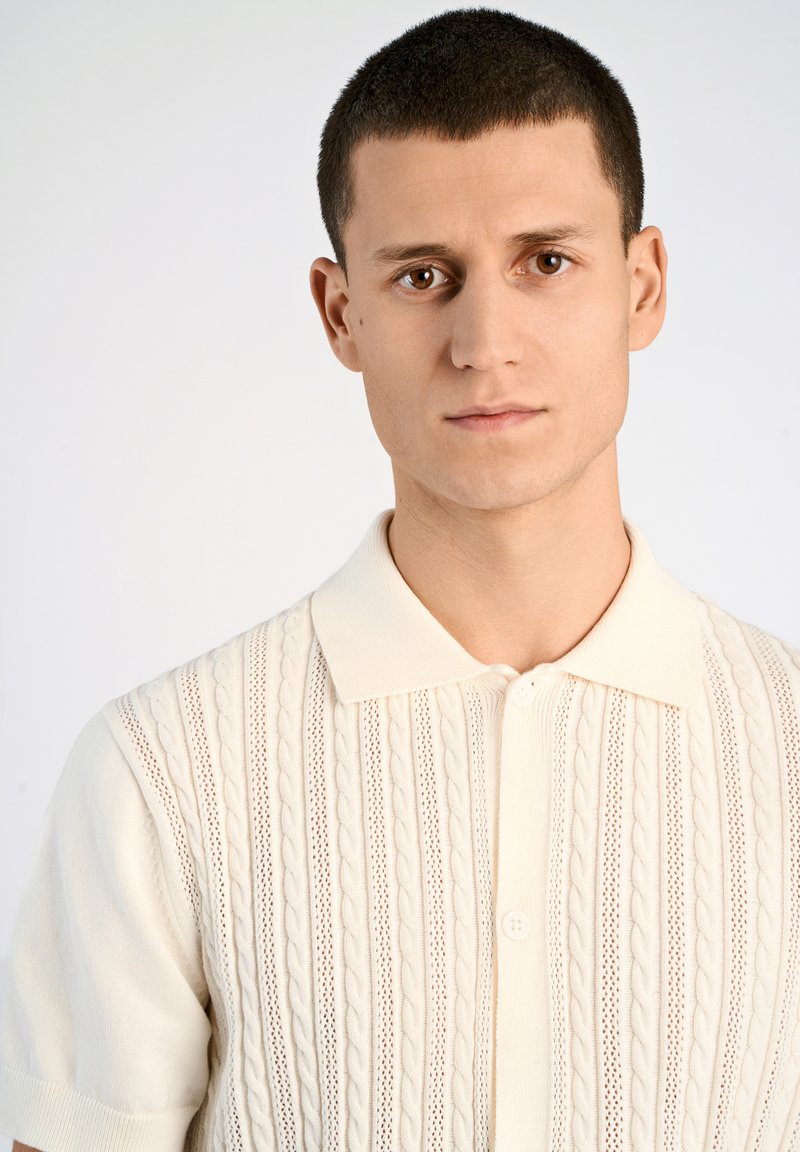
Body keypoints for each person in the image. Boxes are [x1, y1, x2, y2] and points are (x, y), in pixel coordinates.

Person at [2, 8, 799, 1151]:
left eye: (546, 262)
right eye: (424, 276)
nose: (483, 343)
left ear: (641, 286)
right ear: (342, 315)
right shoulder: (165, 769)